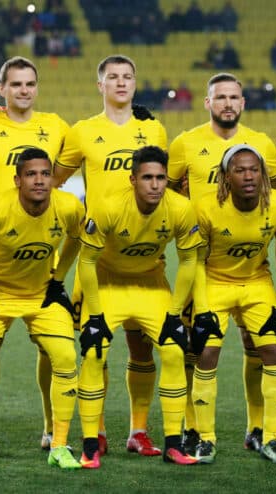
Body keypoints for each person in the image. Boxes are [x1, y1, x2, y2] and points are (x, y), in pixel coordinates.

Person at [54, 54, 168, 457]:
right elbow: (54, 180)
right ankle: (97, 431)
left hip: (144, 260)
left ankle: (138, 430)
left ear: (135, 84)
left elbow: (165, 183)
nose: (121, 82)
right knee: (94, 349)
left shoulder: (153, 129)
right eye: (113, 77)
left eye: (127, 77)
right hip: (98, 260)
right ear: (100, 85)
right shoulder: (83, 131)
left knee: (143, 348)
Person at [167, 72, 276, 454]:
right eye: (220, 97)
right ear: (208, 103)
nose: (228, 103)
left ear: (243, 103)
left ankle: (257, 428)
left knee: (257, 346)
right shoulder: (185, 143)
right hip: (202, 261)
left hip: (251, 263)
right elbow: (167, 191)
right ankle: (193, 428)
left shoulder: (262, 144)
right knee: (196, 347)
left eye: (234, 97)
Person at [0, 56, 71, 455]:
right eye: (16, 84)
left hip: (42, 259)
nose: (24, 90)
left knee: (52, 348)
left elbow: (66, 170)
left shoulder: (57, 126)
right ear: (2, 89)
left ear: (36, 87)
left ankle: (51, 428)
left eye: (30, 84)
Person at [0, 148, 83, 472]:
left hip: (42, 295)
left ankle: (59, 445)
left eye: (45, 174)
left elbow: (77, 237)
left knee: (66, 357)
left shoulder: (69, 206)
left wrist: (59, 278)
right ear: (17, 180)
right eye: (31, 174)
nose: (39, 180)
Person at [77, 145, 200, 468]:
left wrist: (174, 313)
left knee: (174, 350)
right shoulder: (108, 206)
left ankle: (172, 444)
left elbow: (189, 260)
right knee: (94, 353)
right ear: (133, 179)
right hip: (108, 283)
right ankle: (90, 444)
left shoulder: (181, 208)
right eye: (147, 178)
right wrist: (95, 314)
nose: (155, 185)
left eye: (161, 178)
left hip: (150, 284)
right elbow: (86, 261)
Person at [188, 144, 276, 465]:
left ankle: (270, 437)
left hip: (256, 283)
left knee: (274, 350)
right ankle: (206, 438)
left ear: (263, 174)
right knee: (206, 353)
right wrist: (202, 308)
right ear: (226, 177)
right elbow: (195, 260)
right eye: (240, 170)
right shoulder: (206, 207)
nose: (249, 176)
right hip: (214, 283)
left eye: (254, 170)